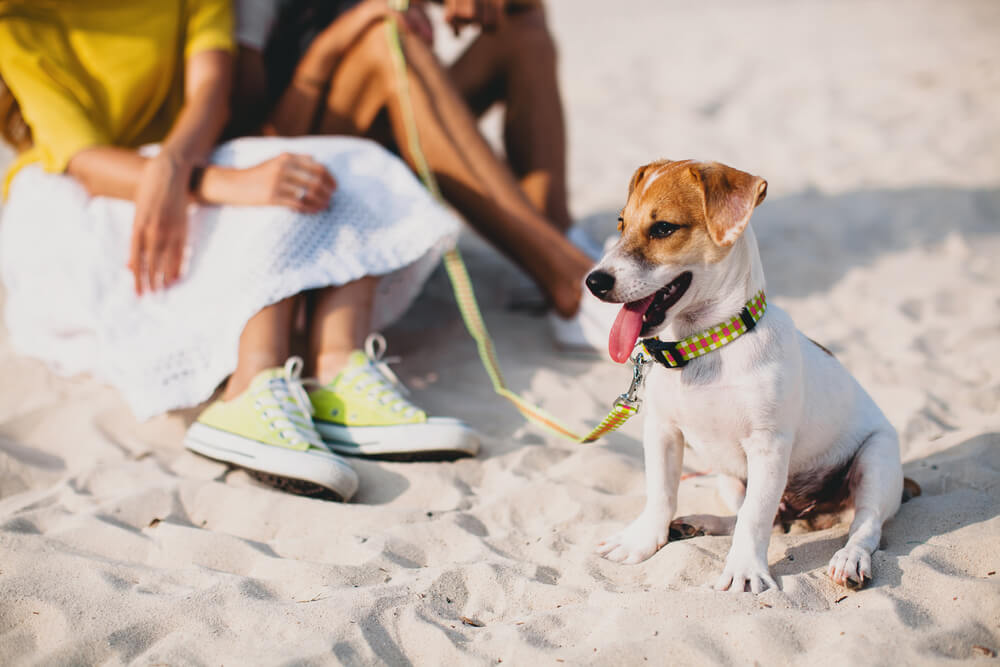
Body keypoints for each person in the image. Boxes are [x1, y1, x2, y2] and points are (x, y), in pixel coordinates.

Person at [0, 0, 480, 503]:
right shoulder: (20, 18)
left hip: (182, 160)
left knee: (338, 165)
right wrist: (218, 181)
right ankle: (249, 391)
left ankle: (338, 371)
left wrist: (178, 164)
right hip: (81, 196)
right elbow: (85, 161)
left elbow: (210, 92)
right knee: (265, 194)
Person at [232, 0, 616, 348]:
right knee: (384, 38)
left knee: (522, 26)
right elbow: (259, 144)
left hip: (396, 122)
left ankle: (551, 244)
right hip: (301, 158)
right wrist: (339, 38)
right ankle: (568, 283)